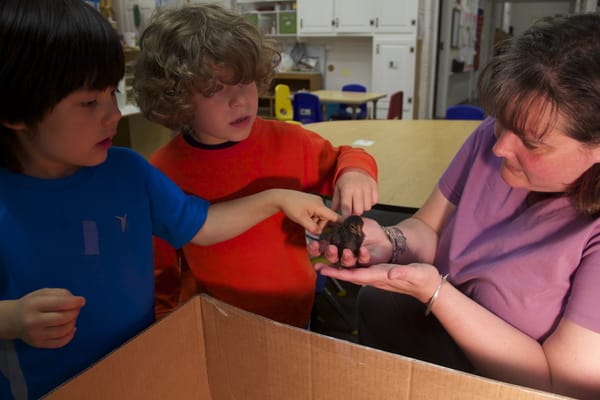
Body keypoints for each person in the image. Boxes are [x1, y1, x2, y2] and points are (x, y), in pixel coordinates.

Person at [0, 1, 341, 399]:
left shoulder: (129, 171)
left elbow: (203, 226)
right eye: (89, 102)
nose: (113, 114)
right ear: (14, 109)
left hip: (146, 371)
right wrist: (10, 319)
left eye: (112, 92)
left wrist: (277, 199)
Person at [310, 13, 600, 400]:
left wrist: (436, 294)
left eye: (532, 142)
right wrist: (389, 240)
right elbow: (429, 230)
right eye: (502, 122)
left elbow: (560, 385)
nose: (499, 148)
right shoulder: (488, 139)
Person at [132, 4, 378, 327]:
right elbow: (159, 267)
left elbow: (346, 157)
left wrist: (355, 172)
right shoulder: (163, 170)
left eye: (245, 82)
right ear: (176, 97)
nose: (241, 101)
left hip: (294, 314)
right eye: (216, 89)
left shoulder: (291, 142)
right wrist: (163, 325)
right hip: (215, 324)